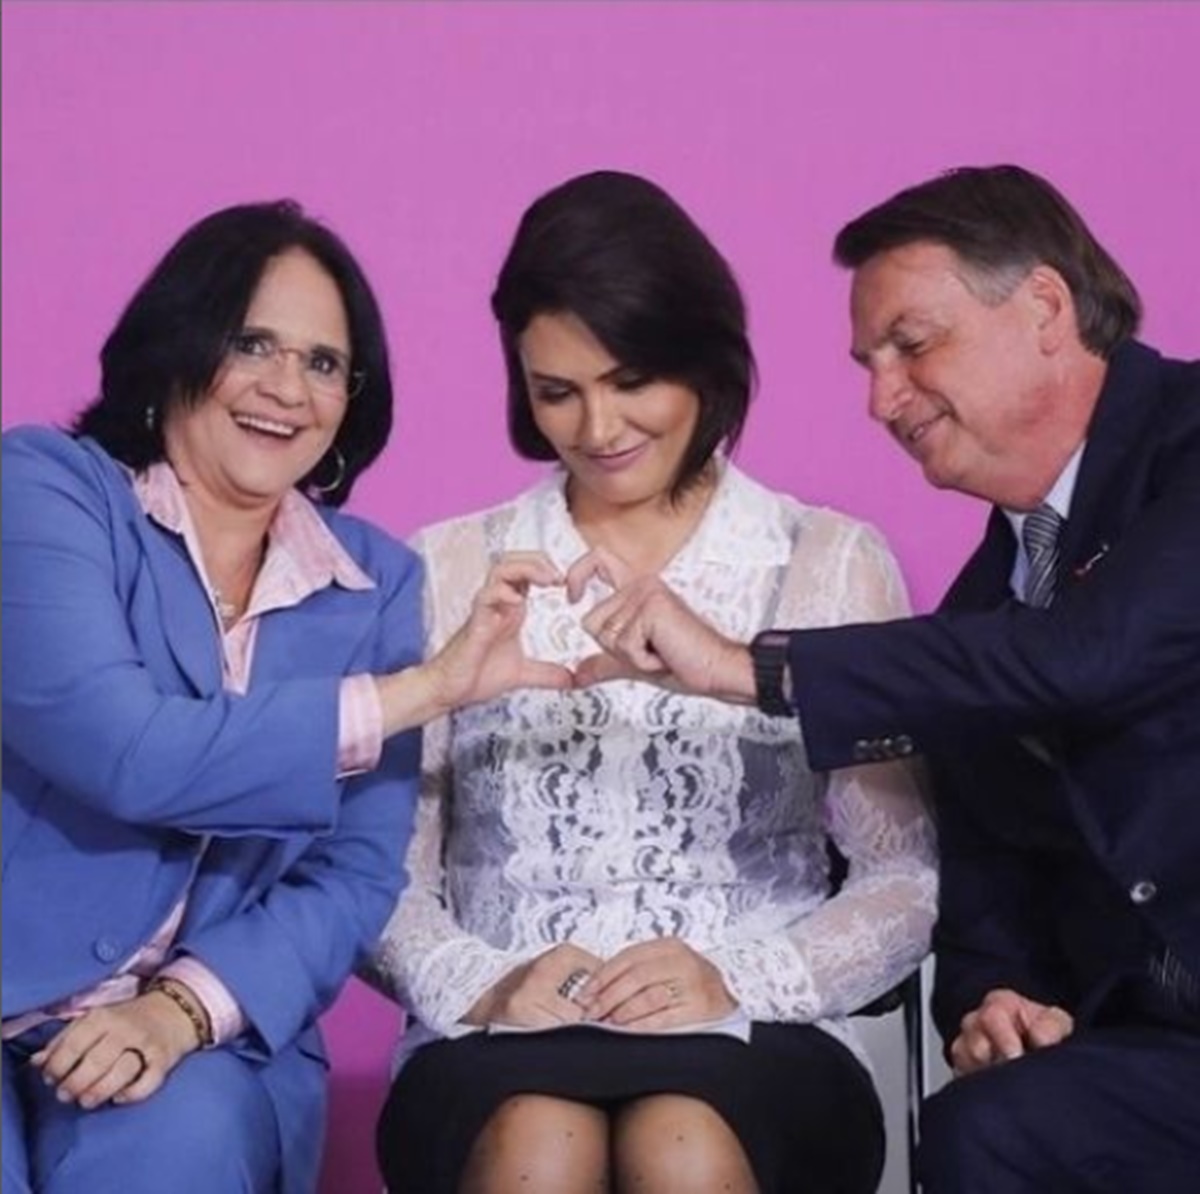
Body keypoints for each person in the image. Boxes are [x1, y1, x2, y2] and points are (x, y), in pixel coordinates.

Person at [571, 164, 1200, 1192]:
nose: (881, 399)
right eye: (869, 365)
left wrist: (747, 666)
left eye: (913, 345)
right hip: (1163, 1056)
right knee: (986, 1129)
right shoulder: (972, 618)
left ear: (1045, 307)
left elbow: (1094, 654)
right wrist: (995, 1002)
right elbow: (990, 894)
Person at [366, 170, 937, 1194]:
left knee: (683, 1141)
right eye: (557, 392)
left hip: (759, 1030)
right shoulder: (450, 567)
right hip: (497, 1031)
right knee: (539, 1140)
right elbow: (378, 875)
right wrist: (486, 982)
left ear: (703, 359)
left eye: (631, 379)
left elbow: (903, 878)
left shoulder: (826, 561)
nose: (598, 428)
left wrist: (735, 977)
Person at [1, 199, 571, 1194]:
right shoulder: (46, 490)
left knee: (179, 1144)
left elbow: (349, 876)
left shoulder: (376, 583)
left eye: (323, 362)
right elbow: (127, 752)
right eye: (251, 343)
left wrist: (178, 1012)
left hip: (193, 1037)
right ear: (178, 342)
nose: (286, 388)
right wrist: (424, 691)